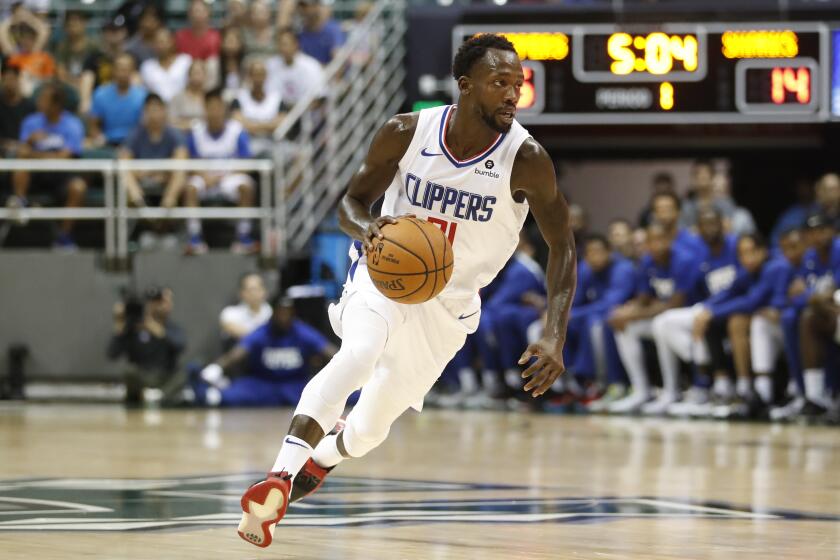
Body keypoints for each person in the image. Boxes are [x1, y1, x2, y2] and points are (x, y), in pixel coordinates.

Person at [235, 33, 575, 548]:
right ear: (466, 86)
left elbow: (564, 248)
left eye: (517, 83)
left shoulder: (526, 158)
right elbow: (351, 203)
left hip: (450, 305)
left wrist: (554, 333)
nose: (512, 94)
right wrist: (367, 229)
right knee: (359, 355)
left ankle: (322, 459)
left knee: (369, 429)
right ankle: (279, 477)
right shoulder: (406, 132)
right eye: (499, 82)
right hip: (386, 276)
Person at [606, 223, 699, 413]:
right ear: (646, 244)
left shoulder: (684, 260)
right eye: (652, 241)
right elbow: (644, 297)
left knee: (659, 324)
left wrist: (634, 313)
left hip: (690, 317)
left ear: (670, 241)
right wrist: (626, 311)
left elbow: (675, 303)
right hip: (662, 317)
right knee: (625, 327)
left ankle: (672, 391)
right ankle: (641, 391)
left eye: (661, 240)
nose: (657, 245)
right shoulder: (647, 262)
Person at [196, 295, 336, 406]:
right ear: (273, 313)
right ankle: (206, 395)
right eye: (280, 313)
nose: (284, 317)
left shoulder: (303, 332)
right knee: (231, 396)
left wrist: (350, 367)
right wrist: (216, 368)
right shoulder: (263, 332)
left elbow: (328, 350)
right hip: (263, 383)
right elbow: (238, 353)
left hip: (295, 384)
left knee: (336, 394)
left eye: (287, 313)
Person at [10, 82, 86, 250]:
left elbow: (66, 158)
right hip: (35, 173)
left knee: (78, 187)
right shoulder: (31, 121)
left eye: (44, 99)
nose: (39, 102)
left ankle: (64, 237)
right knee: (21, 165)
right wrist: (30, 142)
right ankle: (20, 204)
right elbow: (21, 152)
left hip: (61, 175)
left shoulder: (73, 124)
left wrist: (35, 154)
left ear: (56, 105)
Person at [566, 234, 635, 411]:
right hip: (592, 316)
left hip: (622, 319)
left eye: (599, 252)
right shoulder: (585, 269)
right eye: (590, 253)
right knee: (557, 326)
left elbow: (611, 303)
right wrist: (560, 314)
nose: (594, 257)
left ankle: (610, 384)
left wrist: (574, 314)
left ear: (610, 252)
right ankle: (570, 384)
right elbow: (576, 300)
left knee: (596, 325)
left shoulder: (623, 268)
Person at [184, 88, 255, 255]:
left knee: (246, 187)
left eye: (218, 107)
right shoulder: (196, 131)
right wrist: (203, 175)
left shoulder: (237, 130)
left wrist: (225, 176)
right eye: (211, 107)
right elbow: (189, 162)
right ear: (205, 110)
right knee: (190, 188)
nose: (215, 112)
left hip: (230, 177)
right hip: (205, 177)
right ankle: (195, 238)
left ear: (224, 109)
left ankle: (243, 237)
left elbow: (248, 163)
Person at [107, 286, 186, 406]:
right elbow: (112, 354)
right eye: (157, 302)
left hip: (164, 377)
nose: (163, 306)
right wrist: (119, 325)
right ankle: (146, 396)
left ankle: (160, 397)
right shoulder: (133, 327)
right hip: (142, 377)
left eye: (166, 302)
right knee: (129, 371)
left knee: (186, 371)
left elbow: (180, 346)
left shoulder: (171, 327)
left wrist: (157, 330)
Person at [118, 93, 188, 209]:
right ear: (144, 113)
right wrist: (147, 172)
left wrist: (159, 172)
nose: (154, 115)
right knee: (125, 172)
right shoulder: (135, 134)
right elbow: (124, 160)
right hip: (141, 178)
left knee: (179, 173)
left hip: (166, 178)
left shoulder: (174, 134)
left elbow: (182, 158)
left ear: (164, 111)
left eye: (157, 110)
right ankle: (139, 204)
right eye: (150, 110)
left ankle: (167, 206)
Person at [88, 53, 146, 146]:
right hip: (106, 142)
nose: (122, 72)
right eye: (119, 68)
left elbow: (145, 126)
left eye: (126, 69)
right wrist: (97, 137)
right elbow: (93, 124)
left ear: (132, 71)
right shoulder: (101, 94)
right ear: (113, 70)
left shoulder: (142, 96)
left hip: (134, 143)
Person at [232, 59, 285, 156]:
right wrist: (268, 125)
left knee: (298, 153)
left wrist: (252, 125)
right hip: (249, 142)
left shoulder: (276, 98)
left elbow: (281, 124)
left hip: (274, 142)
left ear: (266, 76)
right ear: (249, 77)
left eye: (261, 74)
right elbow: (238, 125)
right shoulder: (239, 98)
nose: (258, 78)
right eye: (255, 74)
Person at [79, 17, 129, 114]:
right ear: (104, 33)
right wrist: (85, 101)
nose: (113, 34)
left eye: (117, 30)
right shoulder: (93, 57)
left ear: (124, 32)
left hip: (125, 101)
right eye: (110, 30)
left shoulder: (130, 57)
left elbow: (136, 81)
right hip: (100, 101)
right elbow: (87, 79)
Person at [266, 27, 324, 106]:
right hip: (279, 113)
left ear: (296, 44)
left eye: (285, 44)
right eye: (279, 44)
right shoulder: (270, 64)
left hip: (305, 113)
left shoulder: (311, 66)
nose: (282, 48)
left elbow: (318, 97)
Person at [140, 28, 192, 103]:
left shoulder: (185, 61)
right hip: (157, 109)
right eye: (157, 42)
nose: (160, 46)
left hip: (183, 107)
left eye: (163, 42)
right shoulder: (147, 67)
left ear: (172, 42)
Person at [219, 272, 273, 343]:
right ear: (241, 293)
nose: (254, 293)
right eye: (250, 290)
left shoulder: (271, 312)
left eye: (257, 289)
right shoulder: (230, 313)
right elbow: (234, 329)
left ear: (264, 291)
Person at [53, 10, 98, 91]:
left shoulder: (94, 46)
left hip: (90, 86)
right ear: (65, 28)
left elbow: (97, 71)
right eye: (70, 24)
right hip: (68, 88)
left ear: (84, 24)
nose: (73, 26)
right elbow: (61, 74)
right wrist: (75, 84)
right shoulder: (62, 47)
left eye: (77, 22)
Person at [651, 191, 705, 257]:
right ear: (654, 215)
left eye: (668, 209)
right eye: (660, 210)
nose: (664, 214)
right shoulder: (650, 247)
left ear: (678, 212)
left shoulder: (693, 241)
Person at [0, 65, 35, 156]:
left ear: (18, 80)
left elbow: (34, 132)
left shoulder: (30, 106)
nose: (9, 83)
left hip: (25, 150)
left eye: (12, 79)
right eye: (6, 79)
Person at [296, 0, 345, 65]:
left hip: (327, 73)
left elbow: (338, 65)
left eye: (306, 6)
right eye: (301, 6)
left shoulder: (333, 30)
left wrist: (315, 70)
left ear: (317, 7)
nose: (303, 10)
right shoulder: (300, 32)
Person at [168, 59, 208, 130]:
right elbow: (171, 121)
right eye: (194, 73)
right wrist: (190, 125)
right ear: (189, 76)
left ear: (205, 76)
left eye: (199, 73)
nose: (197, 77)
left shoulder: (210, 98)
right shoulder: (177, 98)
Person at [219, 26, 246, 93]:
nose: (230, 46)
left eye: (233, 42)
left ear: (240, 44)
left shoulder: (246, 64)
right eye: (227, 41)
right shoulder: (217, 63)